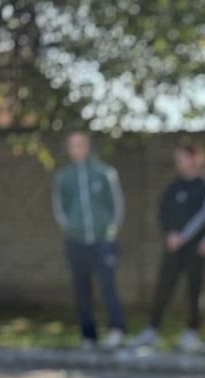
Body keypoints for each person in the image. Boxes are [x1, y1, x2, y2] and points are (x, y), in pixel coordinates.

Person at [132, 142, 205, 351]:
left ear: (195, 157)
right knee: (164, 286)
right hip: (172, 246)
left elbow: (203, 216)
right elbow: (164, 212)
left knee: (195, 289)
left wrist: (183, 237)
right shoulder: (174, 186)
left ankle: (192, 331)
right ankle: (152, 329)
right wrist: (170, 234)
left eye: (182, 157)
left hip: (195, 248)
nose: (178, 162)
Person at [52, 131, 127, 349]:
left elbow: (117, 205)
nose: (76, 149)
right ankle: (88, 335)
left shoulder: (104, 173)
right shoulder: (64, 178)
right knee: (81, 288)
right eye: (72, 145)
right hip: (76, 241)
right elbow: (60, 208)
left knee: (107, 285)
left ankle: (116, 330)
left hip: (102, 240)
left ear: (87, 147)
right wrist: (71, 227)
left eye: (79, 144)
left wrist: (110, 230)